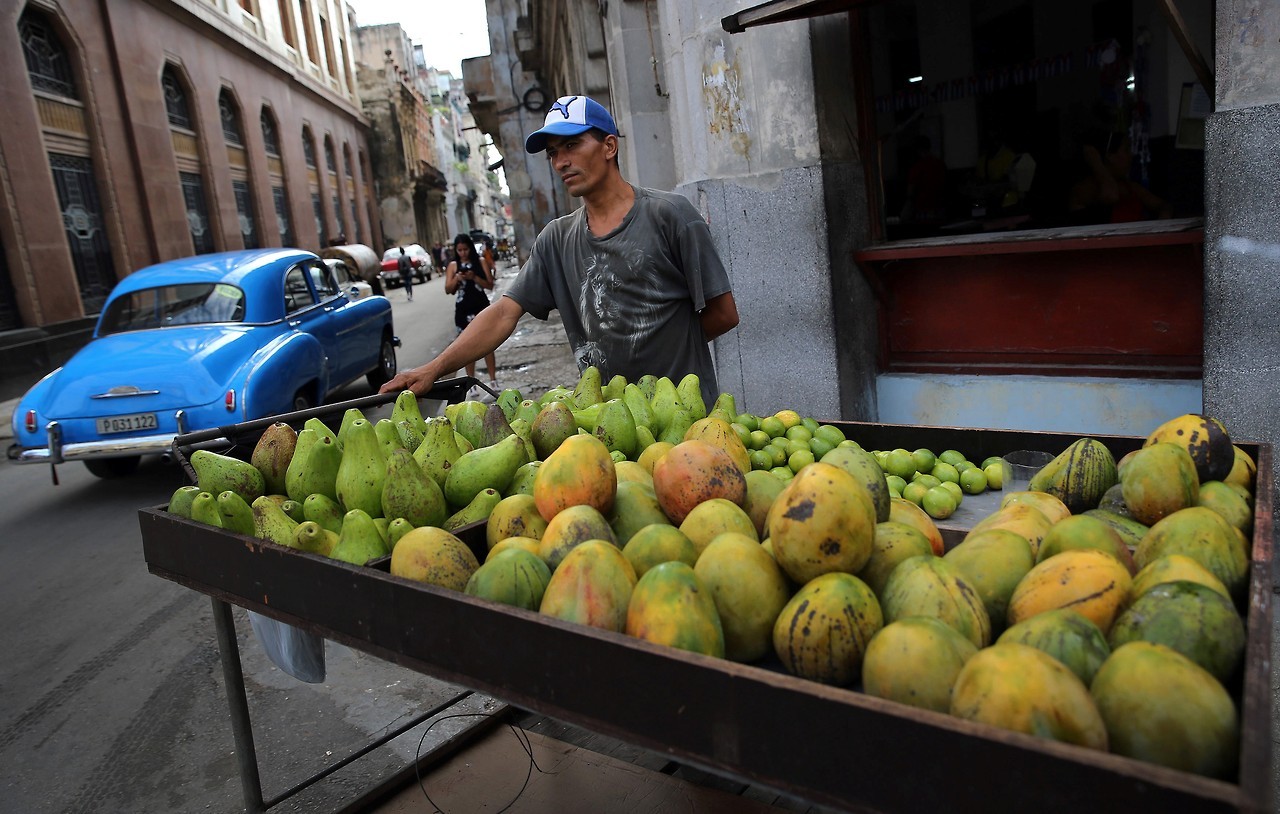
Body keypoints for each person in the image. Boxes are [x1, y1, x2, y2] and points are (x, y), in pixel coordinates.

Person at [380, 94, 739, 407]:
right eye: (553, 153)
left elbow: (724, 313)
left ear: (609, 146)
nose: (560, 162)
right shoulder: (556, 239)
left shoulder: (671, 216)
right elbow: (504, 313)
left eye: (572, 145)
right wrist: (434, 368)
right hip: (608, 422)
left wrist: (665, 346)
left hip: (685, 417)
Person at [1067, 130, 1172, 224]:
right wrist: (1095, 162)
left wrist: (1164, 216)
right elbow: (1111, 196)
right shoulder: (1086, 188)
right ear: (1110, 156)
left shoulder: (1130, 187)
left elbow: (1162, 205)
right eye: (1126, 150)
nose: (1131, 155)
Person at [444, 233, 499, 400]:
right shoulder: (453, 266)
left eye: (465, 249)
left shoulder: (480, 262)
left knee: (487, 344)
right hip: (463, 309)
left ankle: (493, 380)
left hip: (480, 306)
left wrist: (474, 277)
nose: (463, 253)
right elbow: (448, 289)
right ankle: (471, 383)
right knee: (467, 345)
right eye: (459, 250)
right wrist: (457, 278)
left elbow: (489, 284)